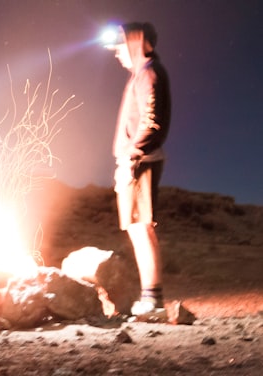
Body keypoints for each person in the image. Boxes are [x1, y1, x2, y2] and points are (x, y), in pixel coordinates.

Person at [106, 22, 171, 316]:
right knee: (137, 228)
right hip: (136, 160)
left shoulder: (149, 74)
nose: (117, 54)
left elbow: (152, 120)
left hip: (141, 161)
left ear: (134, 44)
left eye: (120, 47)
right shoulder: (141, 75)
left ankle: (152, 298)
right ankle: (150, 297)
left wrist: (132, 155)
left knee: (141, 227)